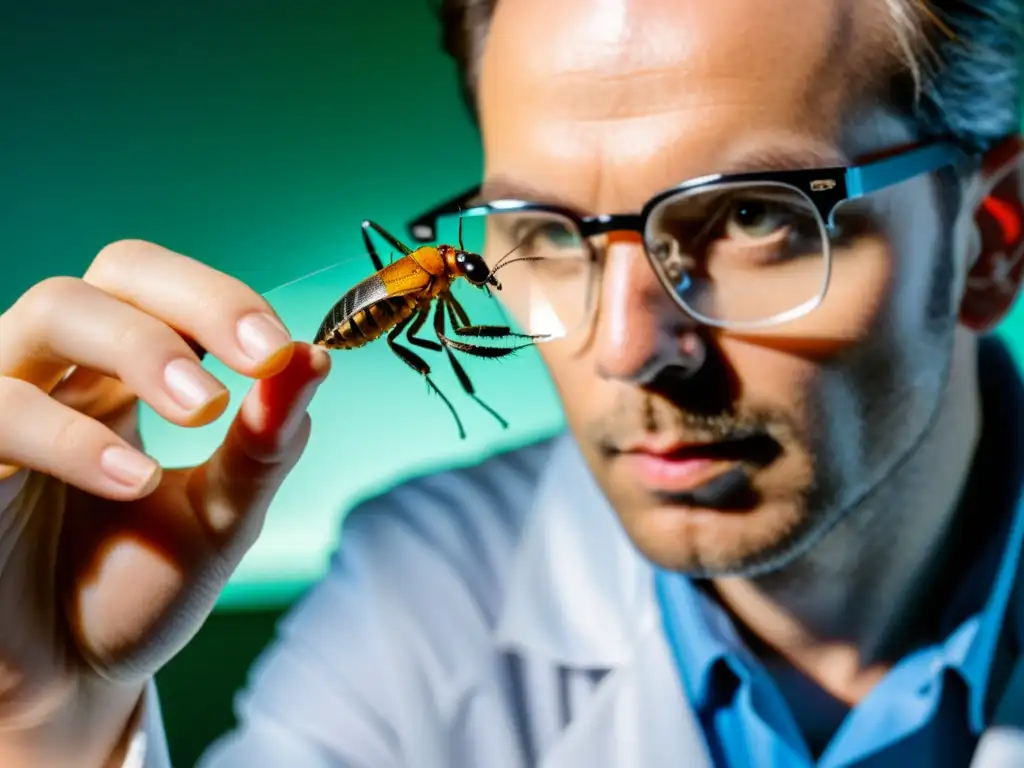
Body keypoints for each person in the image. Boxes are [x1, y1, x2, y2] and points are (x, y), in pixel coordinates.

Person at [1, 0, 1023, 765]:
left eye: (754, 216)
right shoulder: (417, 592)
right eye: (545, 232)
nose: (625, 346)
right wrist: (45, 725)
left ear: (985, 245)